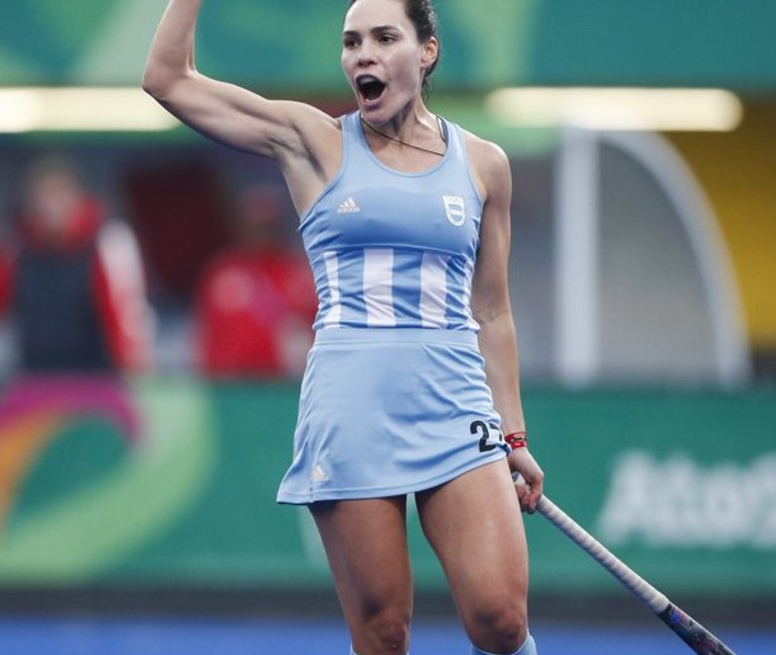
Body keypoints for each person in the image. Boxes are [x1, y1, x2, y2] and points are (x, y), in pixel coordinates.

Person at [143, 1, 545, 653]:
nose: (363, 53)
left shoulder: (484, 165)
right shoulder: (313, 140)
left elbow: (494, 312)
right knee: (384, 633)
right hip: (352, 409)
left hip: (455, 406)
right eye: (351, 41)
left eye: (385, 37)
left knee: (501, 618)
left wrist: (514, 431)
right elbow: (167, 78)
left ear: (427, 51)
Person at [0, 156, 153, 376]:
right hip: (34, 385)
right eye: (44, 198)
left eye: (59, 196)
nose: (51, 207)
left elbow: (125, 326)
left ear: (76, 197)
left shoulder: (107, 241)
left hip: (95, 385)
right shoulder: (12, 246)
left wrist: (136, 384)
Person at [194, 184, 318, 379]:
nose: (260, 230)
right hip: (233, 386)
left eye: (267, 224)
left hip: (285, 385)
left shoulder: (299, 272)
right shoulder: (222, 272)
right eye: (252, 222)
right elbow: (208, 337)